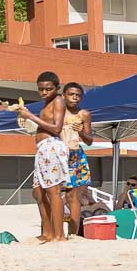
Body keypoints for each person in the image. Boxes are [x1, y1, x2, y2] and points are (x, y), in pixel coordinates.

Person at [5, 71, 67, 243]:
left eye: (48, 89)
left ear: (57, 88)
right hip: (42, 149)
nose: (44, 92)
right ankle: (47, 232)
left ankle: (59, 235)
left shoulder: (58, 101)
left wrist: (30, 116)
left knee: (53, 191)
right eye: (41, 89)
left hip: (51, 147)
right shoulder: (45, 104)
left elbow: (56, 128)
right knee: (38, 192)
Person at [60, 82, 94, 238]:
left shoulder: (84, 114)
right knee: (52, 195)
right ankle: (55, 232)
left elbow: (89, 140)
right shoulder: (56, 112)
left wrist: (81, 131)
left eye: (78, 95)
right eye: (71, 94)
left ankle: (73, 234)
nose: (74, 97)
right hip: (57, 155)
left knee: (72, 196)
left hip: (74, 155)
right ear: (63, 95)